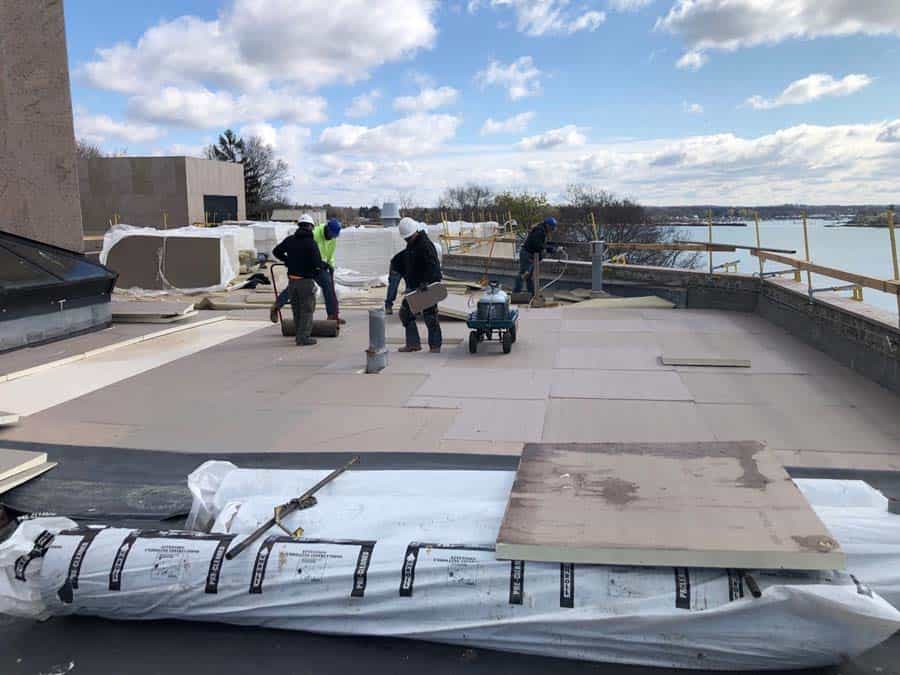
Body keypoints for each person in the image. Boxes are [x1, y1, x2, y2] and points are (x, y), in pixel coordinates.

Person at [269, 216, 342, 324]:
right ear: (327, 229)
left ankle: (332, 315)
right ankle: (276, 306)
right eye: (331, 234)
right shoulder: (313, 234)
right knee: (294, 288)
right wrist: (289, 261)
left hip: (318, 267)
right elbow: (303, 250)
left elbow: (330, 255)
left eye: (334, 236)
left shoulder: (332, 240)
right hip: (306, 266)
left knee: (328, 286)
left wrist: (330, 266)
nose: (331, 237)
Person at [271, 219, 322, 346]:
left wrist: (287, 260)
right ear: (310, 227)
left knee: (297, 309)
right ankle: (303, 337)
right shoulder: (311, 243)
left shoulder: (290, 240)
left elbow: (276, 251)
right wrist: (319, 270)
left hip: (292, 281)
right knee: (307, 310)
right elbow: (317, 263)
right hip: (305, 281)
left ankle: (299, 334)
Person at [397, 217, 442, 353]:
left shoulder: (425, 245)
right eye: (406, 238)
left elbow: (434, 268)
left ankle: (435, 346)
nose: (407, 240)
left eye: (408, 238)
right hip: (415, 286)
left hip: (427, 286)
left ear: (414, 233)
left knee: (430, 316)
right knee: (405, 313)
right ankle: (413, 343)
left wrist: (426, 282)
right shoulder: (412, 244)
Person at [513, 217, 558, 296]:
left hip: (531, 255)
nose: (552, 229)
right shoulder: (539, 231)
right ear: (547, 225)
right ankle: (516, 294)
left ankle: (532, 294)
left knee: (529, 277)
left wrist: (551, 248)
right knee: (524, 274)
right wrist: (550, 249)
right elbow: (537, 245)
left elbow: (541, 244)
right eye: (552, 227)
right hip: (527, 255)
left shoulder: (542, 230)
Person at [384, 249, 407, 315]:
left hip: (408, 265)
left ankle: (411, 306)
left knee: (411, 287)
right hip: (396, 266)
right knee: (393, 287)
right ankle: (388, 305)